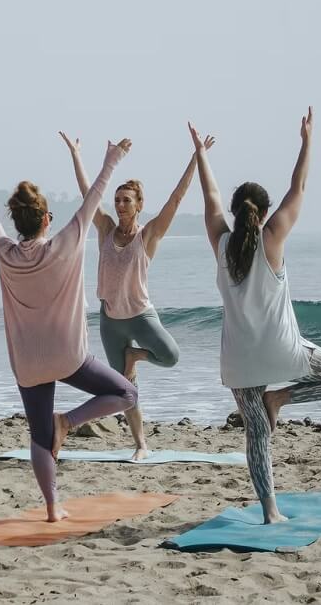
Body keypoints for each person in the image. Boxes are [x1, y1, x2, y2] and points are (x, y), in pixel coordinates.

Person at [0, 139, 139, 522]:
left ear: (18, 223)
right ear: (46, 219)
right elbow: (94, 199)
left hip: (28, 364)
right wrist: (112, 160)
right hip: (69, 356)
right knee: (126, 393)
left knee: (39, 437)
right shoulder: (65, 244)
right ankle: (67, 422)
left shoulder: (3, 252)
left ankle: (53, 509)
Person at [191, 108, 321, 523]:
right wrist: (306, 141)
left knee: (257, 435)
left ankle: (271, 512)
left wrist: (201, 155)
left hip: (240, 361)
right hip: (283, 352)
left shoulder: (221, 244)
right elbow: (298, 186)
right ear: (264, 213)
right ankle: (282, 396)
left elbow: (209, 199)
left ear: (235, 213)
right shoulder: (273, 239)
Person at [59, 131, 215, 459]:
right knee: (126, 391)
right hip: (111, 321)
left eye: (126, 200)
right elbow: (89, 193)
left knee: (170, 356)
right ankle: (141, 444)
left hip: (141, 316)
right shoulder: (103, 229)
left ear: (139, 204)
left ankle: (137, 356)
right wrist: (75, 154)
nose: (119, 204)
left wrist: (195, 157)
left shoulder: (150, 235)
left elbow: (176, 198)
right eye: (117, 199)